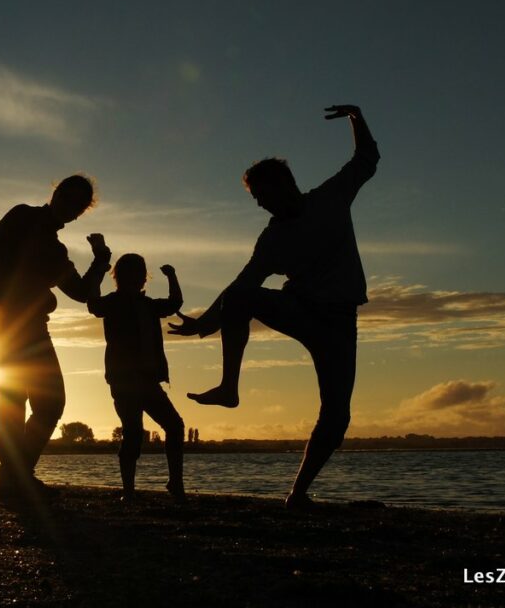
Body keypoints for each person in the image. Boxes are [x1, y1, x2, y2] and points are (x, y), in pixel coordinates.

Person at [170, 105, 379, 508]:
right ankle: (230, 388)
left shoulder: (330, 198)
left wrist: (356, 116)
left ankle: (297, 495)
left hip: (338, 323)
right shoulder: (271, 240)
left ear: (287, 184)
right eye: (257, 199)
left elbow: (366, 159)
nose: (262, 204)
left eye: (265, 195)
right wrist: (203, 325)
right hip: (300, 309)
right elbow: (242, 285)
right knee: (242, 297)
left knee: (336, 419)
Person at [0, 174, 111, 500]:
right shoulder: (23, 217)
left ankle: (14, 474)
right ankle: (13, 477)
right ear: (55, 193)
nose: (71, 209)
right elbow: (0, 256)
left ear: (80, 213)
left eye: (78, 207)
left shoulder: (56, 249)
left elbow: (80, 292)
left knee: (50, 403)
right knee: (12, 397)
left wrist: (101, 262)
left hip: (31, 324)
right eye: (68, 199)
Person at [88, 255, 185, 501]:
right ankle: (129, 491)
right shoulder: (112, 303)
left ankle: (174, 483)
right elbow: (93, 304)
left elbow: (175, 302)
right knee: (134, 431)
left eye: (139, 273)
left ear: (143, 278)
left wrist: (172, 276)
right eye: (132, 273)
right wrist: (99, 268)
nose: (137, 278)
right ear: (121, 277)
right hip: (124, 380)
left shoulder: (149, 305)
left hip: (147, 379)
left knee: (173, 426)